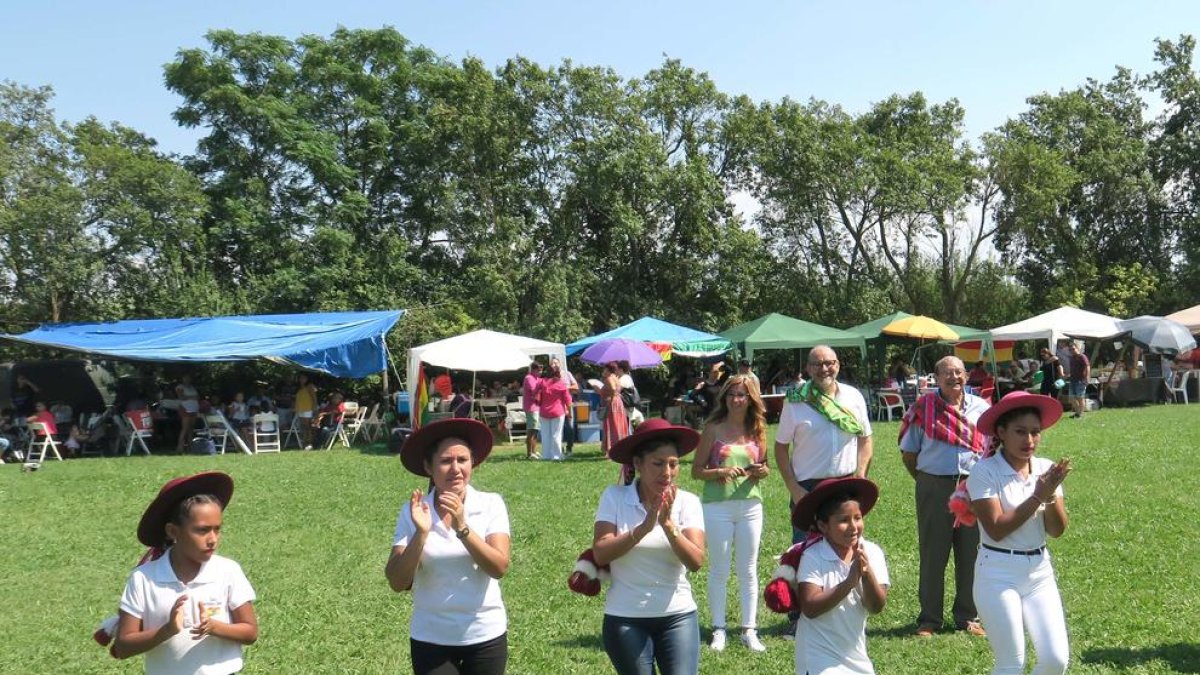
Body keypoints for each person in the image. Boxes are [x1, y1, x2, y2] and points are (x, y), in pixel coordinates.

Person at [385, 418, 511, 675]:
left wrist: (462, 527)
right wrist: (421, 534)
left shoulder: (490, 504)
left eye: (462, 460)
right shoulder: (414, 512)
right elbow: (397, 581)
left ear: (472, 463)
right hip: (431, 636)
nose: (456, 469)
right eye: (445, 461)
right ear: (428, 467)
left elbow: (499, 567)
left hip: (484, 632)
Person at [112, 472, 259, 673]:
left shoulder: (227, 571)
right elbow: (123, 646)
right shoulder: (144, 578)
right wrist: (167, 630)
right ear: (173, 532)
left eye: (217, 529)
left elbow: (250, 632)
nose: (213, 539)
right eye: (202, 530)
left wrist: (214, 627)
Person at [967, 392, 1071, 675]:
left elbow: (1056, 530)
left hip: (1039, 572)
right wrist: (1038, 496)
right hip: (997, 573)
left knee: (1055, 660)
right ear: (1001, 432)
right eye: (1020, 432)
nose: (1029, 440)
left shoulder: (1046, 469)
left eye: (1035, 432)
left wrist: (1049, 496)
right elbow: (997, 528)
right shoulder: (984, 472)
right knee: (1011, 664)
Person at [593, 418, 706, 675]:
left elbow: (696, 561)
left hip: (678, 615)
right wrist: (643, 528)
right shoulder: (615, 497)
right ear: (637, 464)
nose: (667, 472)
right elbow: (601, 552)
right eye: (658, 464)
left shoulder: (688, 502)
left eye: (673, 464)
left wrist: (668, 525)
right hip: (625, 617)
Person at [775, 345, 873, 634]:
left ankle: (847, 607)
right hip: (807, 486)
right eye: (817, 364)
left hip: (845, 485)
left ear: (838, 365)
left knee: (847, 546)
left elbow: (866, 439)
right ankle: (798, 617)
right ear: (808, 368)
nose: (824, 369)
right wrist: (793, 488)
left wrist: (861, 476)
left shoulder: (854, 397)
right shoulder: (796, 401)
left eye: (829, 363)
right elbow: (780, 448)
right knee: (803, 549)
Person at [898, 355, 990, 638]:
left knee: (972, 552)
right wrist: (928, 480)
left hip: (974, 488)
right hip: (934, 486)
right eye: (947, 373)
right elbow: (909, 453)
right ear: (936, 378)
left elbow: (991, 447)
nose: (954, 378)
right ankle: (929, 619)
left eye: (959, 372)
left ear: (966, 376)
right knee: (933, 553)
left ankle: (968, 617)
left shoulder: (982, 408)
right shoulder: (923, 408)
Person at [691, 375, 770, 652]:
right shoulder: (713, 428)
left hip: (750, 505)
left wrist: (762, 471)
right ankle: (719, 628)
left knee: (749, 569)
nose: (737, 400)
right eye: (732, 394)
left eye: (742, 395)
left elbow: (764, 465)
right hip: (717, 506)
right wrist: (720, 472)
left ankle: (749, 629)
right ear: (724, 398)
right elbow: (696, 470)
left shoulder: (758, 428)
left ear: (751, 399)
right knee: (719, 569)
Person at [792, 477, 889, 674]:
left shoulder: (873, 552)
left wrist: (866, 571)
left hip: (855, 657)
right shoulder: (813, 555)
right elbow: (810, 607)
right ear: (823, 526)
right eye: (843, 520)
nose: (853, 526)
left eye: (857, 517)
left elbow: (875, 606)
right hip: (818, 658)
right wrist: (849, 582)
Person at [536, 363, 572, 461]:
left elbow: (536, 396)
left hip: (544, 412)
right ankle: (556, 456)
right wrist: (570, 413)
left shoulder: (542, 382)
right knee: (556, 434)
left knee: (545, 434)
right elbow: (568, 400)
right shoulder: (561, 383)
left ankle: (546, 455)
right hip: (558, 412)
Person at [599, 362, 629, 459]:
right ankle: (620, 448)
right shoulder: (616, 377)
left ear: (608, 370)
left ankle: (610, 450)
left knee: (611, 425)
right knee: (618, 425)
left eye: (604, 369)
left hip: (612, 403)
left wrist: (599, 390)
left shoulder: (609, 378)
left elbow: (612, 388)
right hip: (618, 403)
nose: (603, 371)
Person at [555, 358, 581, 457]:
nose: (555, 365)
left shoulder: (567, 374)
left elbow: (576, 387)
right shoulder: (550, 377)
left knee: (570, 427)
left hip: (567, 404)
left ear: (560, 364)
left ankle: (569, 448)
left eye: (556, 363)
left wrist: (565, 388)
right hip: (556, 406)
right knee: (558, 428)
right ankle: (559, 449)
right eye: (553, 363)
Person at [174, 374, 201, 454]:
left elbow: (198, 397)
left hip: (194, 409)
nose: (187, 379)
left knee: (191, 428)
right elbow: (181, 397)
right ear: (182, 379)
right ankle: (180, 447)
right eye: (185, 378)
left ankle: (190, 447)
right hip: (185, 408)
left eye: (189, 378)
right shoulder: (180, 387)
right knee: (185, 428)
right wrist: (193, 397)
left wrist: (190, 397)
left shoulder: (192, 387)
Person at [521, 362, 542, 459]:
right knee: (531, 430)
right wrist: (541, 386)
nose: (540, 372)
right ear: (533, 370)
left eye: (541, 370)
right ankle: (529, 453)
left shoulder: (537, 378)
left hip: (537, 407)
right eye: (538, 370)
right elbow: (534, 392)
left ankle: (534, 451)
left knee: (536, 430)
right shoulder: (529, 378)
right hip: (531, 407)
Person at [294, 373, 319, 449]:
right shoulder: (299, 387)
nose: (302, 379)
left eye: (304, 378)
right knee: (303, 427)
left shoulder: (310, 386)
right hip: (300, 409)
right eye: (300, 378)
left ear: (307, 378)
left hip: (308, 409)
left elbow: (314, 398)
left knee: (308, 427)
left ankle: (310, 443)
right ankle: (305, 443)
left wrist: (314, 408)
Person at [1067, 342, 1090, 419]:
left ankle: (1080, 414)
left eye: (1073, 349)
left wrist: (1087, 377)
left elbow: (1087, 367)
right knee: (1071, 398)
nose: (1072, 351)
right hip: (1072, 380)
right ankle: (1077, 413)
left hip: (1081, 380)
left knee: (1080, 398)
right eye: (1070, 350)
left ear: (1077, 348)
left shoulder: (1082, 356)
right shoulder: (1071, 358)